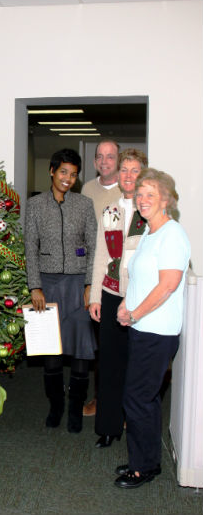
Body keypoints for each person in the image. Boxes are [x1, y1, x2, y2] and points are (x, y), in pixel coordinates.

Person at [115, 168, 190, 488]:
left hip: (156, 331)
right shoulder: (149, 232)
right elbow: (140, 277)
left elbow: (167, 286)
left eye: (150, 195)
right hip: (141, 327)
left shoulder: (172, 234)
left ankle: (143, 467)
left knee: (137, 398)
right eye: (140, 193)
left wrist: (134, 314)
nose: (142, 200)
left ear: (166, 201)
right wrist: (124, 304)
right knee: (143, 397)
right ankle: (146, 459)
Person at [25, 148, 97, 433]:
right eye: (64, 172)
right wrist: (35, 285)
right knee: (50, 351)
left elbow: (93, 248)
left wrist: (90, 284)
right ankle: (56, 405)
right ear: (52, 171)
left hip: (78, 285)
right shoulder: (35, 205)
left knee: (81, 351)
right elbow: (30, 247)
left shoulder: (84, 204)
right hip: (47, 285)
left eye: (74, 174)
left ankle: (76, 408)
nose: (68, 178)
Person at [89, 149, 148, 448]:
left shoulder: (149, 213)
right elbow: (101, 256)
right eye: (123, 169)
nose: (127, 175)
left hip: (141, 301)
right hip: (112, 296)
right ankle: (109, 427)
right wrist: (95, 298)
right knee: (110, 365)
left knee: (137, 367)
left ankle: (135, 426)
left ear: (143, 175)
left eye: (133, 170)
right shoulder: (109, 211)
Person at [81, 139, 122, 417]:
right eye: (100, 157)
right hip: (94, 275)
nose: (105, 161)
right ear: (95, 161)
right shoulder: (87, 189)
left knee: (123, 346)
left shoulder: (130, 190)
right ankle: (100, 397)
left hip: (121, 279)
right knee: (98, 344)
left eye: (110, 156)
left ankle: (124, 404)